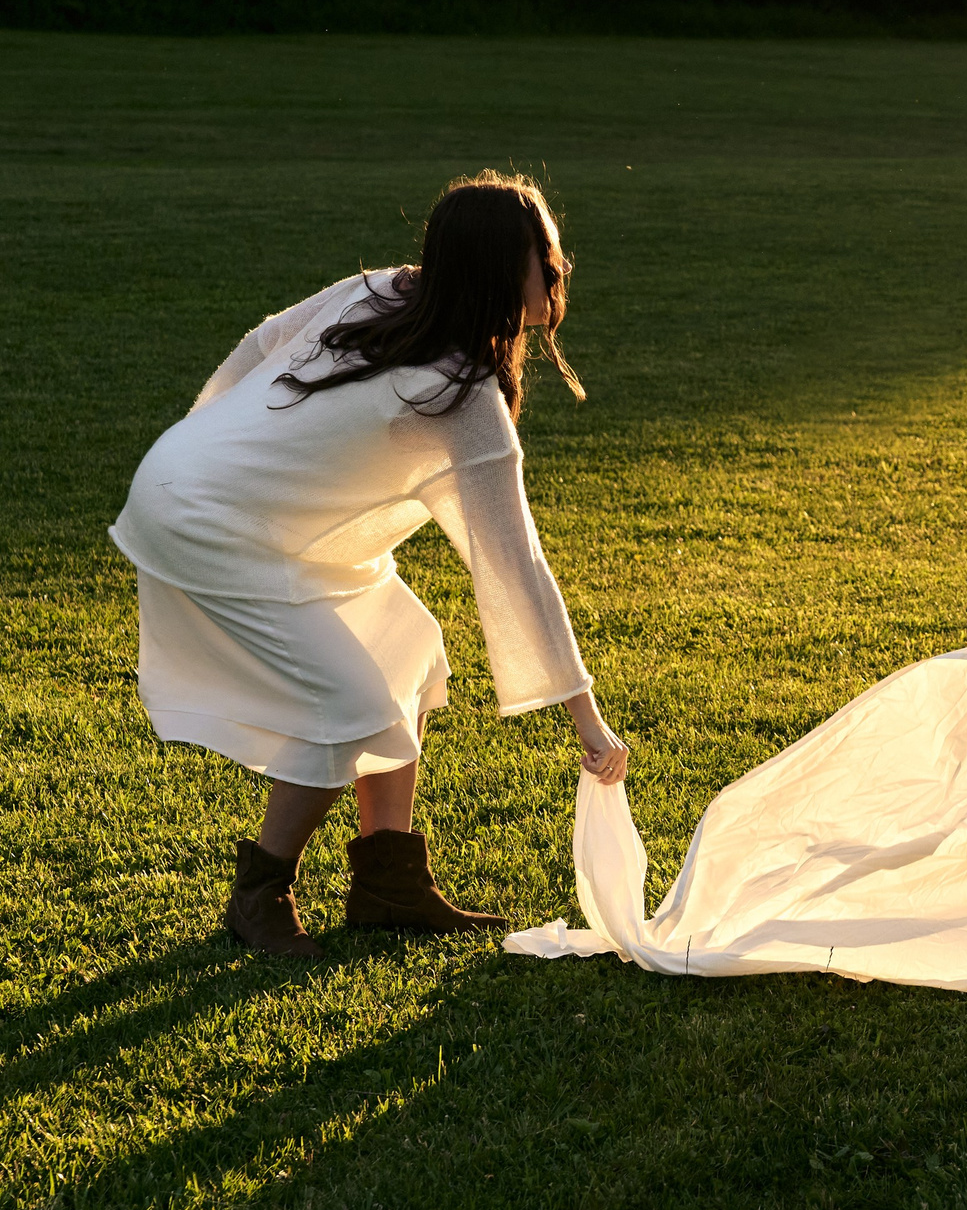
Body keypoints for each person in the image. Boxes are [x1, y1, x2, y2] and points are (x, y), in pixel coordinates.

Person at [110, 171, 632, 960]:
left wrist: (203, 440)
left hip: (217, 494)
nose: (558, 272)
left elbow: (261, 342)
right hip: (206, 519)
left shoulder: (389, 291)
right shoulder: (459, 395)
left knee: (410, 648)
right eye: (544, 258)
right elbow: (516, 567)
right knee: (348, 704)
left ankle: (387, 883)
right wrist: (588, 722)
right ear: (498, 267)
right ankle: (260, 892)